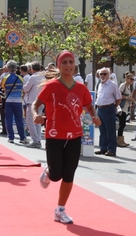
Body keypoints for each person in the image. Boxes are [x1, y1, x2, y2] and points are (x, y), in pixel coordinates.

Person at [32, 50, 101, 224]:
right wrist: (35, 115)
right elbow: (36, 104)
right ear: (58, 66)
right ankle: (48, 171)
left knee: (69, 174)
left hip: (75, 135)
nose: (68, 66)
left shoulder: (81, 88)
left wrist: (94, 116)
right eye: (65, 63)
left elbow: (89, 106)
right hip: (54, 134)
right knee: (56, 176)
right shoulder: (51, 86)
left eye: (71, 62)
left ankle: (60, 210)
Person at [0, 60, 29, 144]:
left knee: (8, 119)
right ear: (16, 68)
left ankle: (10, 137)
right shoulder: (20, 78)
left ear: (8, 68)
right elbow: (23, 89)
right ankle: (22, 137)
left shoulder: (5, 78)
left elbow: (3, 88)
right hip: (18, 101)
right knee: (19, 119)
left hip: (8, 101)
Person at [94, 67, 122, 156]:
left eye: (105, 74)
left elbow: (119, 98)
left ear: (108, 75)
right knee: (102, 130)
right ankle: (103, 148)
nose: (102, 76)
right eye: (101, 74)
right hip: (100, 108)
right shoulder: (100, 84)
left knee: (110, 130)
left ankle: (111, 149)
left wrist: (114, 107)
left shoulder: (112, 85)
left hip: (108, 108)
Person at [23, 61, 45, 148]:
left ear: (32, 69)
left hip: (32, 102)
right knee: (38, 122)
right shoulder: (43, 77)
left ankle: (36, 140)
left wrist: (24, 86)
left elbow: (26, 89)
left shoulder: (33, 77)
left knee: (30, 121)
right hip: (41, 101)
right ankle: (38, 139)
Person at [117, 72, 134, 147]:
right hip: (122, 107)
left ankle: (121, 139)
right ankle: (119, 140)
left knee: (123, 124)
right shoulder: (123, 85)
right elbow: (119, 95)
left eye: (133, 79)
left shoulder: (128, 87)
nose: (132, 81)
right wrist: (127, 98)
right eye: (131, 79)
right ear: (126, 79)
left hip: (126, 107)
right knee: (122, 124)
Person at [0, 65, 9, 135]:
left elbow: (1, 86)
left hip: (4, 96)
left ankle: (4, 129)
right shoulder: (16, 76)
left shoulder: (3, 76)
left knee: (3, 113)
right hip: (12, 97)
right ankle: (8, 129)